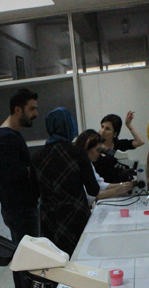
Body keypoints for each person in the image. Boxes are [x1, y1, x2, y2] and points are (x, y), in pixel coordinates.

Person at [0, 88, 40, 288]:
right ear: (17, 109)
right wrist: (33, 169)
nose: (35, 113)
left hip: (22, 207)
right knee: (26, 259)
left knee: (24, 257)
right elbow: (15, 174)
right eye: (32, 109)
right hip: (19, 209)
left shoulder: (13, 135)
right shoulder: (5, 139)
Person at [32, 107, 99, 256]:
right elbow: (93, 190)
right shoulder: (77, 153)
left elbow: (34, 193)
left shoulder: (37, 157)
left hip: (49, 220)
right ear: (70, 125)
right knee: (79, 258)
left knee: (55, 260)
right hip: (76, 217)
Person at [75, 129, 134, 205]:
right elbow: (89, 196)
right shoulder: (76, 166)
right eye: (98, 150)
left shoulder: (88, 163)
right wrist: (116, 190)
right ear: (86, 148)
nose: (100, 153)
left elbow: (98, 183)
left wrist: (123, 185)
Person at [94, 112, 146, 183]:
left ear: (115, 133)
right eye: (102, 126)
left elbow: (140, 141)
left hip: (124, 185)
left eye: (107, 129)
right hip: (107, 187)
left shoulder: (119, 144)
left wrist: (129, 124)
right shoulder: (94, 146)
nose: (102, 131)